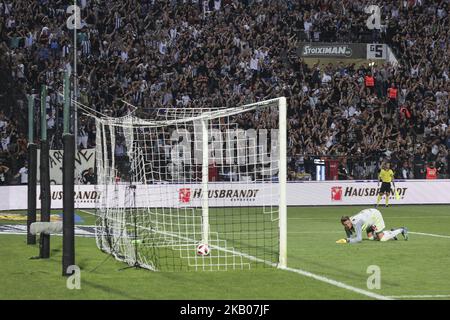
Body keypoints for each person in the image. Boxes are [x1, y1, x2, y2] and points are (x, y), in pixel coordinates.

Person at [336, 208, 408, 244]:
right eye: (345, 225)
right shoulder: (347, 225)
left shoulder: (356, 223)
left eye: (347, 223)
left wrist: (346, 240)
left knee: (382, 239)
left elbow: (359, 239)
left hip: (375, 216)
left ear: (350, 221)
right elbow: (351, 237)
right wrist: (349, 239)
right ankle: (391, 233)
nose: (347, 226)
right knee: (371, 238)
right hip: (368, 218)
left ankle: (401, 229)